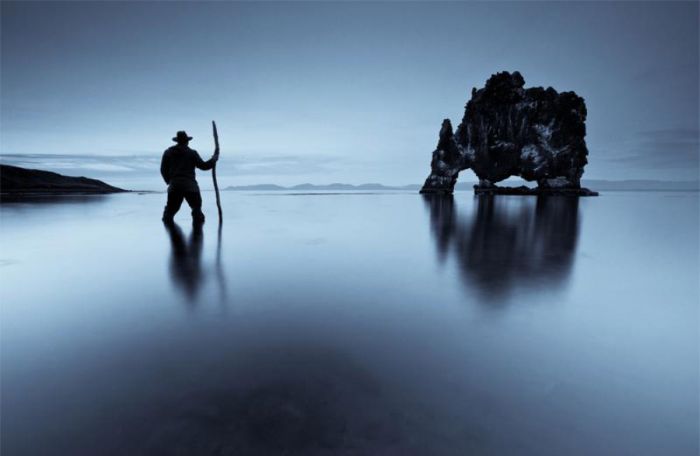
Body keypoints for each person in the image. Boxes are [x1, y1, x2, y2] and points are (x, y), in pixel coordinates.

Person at [161, 130, 219, 223]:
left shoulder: (168, 153)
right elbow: (204, 166)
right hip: (190, 186)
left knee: (170, 212)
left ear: (177, 141)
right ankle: (197, 232)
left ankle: (173, 231)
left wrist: (169, 181)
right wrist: (213, 160)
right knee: (197, 210)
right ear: (187, 141)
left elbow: (163, 170)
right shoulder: (191, 153)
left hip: (175, 186)